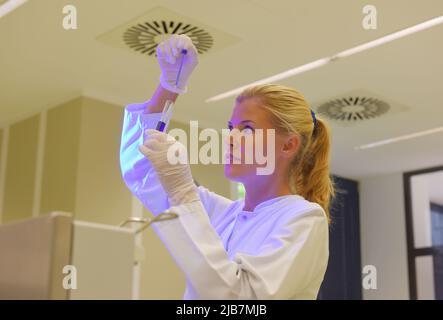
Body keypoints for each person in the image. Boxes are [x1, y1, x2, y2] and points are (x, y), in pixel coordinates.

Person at [120, 34, 335, 299]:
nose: (230, 138)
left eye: (247, 129)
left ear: (287, 146)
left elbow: (241, 299)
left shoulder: (303, 219)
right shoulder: (220, 213)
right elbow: (139, 167)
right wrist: (168, 88)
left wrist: (183, 194)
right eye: (231, 128)